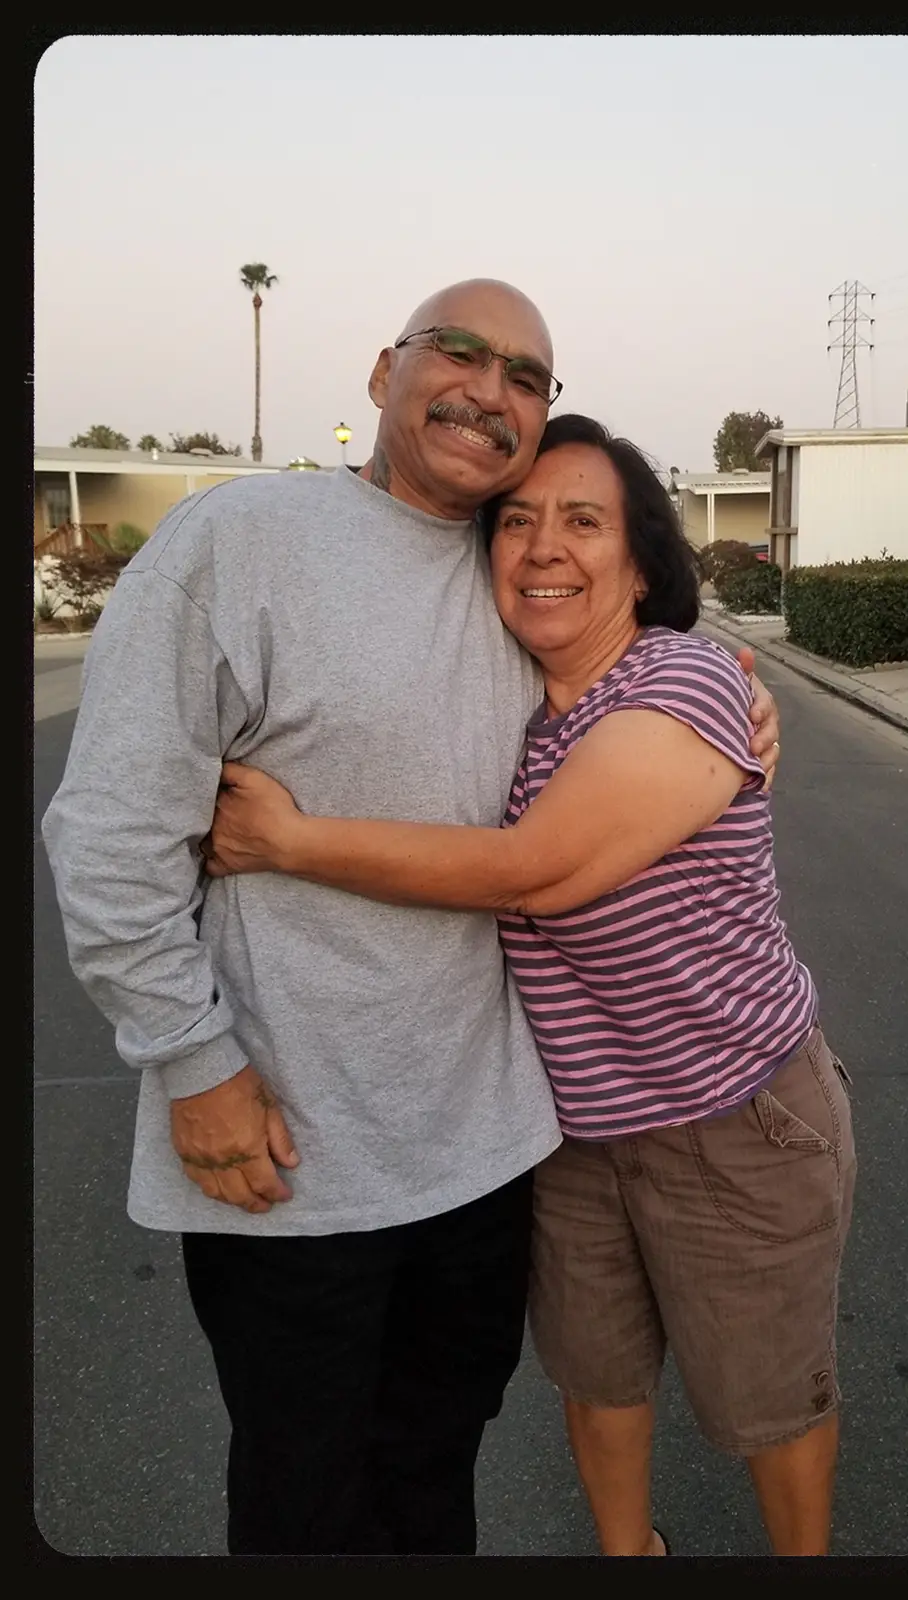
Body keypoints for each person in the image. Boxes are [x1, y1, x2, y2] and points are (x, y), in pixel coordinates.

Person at [41, 281, 780, 1558]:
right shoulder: (241, 541)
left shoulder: (520, 576)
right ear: (384, 371)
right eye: (461, 350)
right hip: (285, 1149)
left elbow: (645, 691)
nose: (489, 387)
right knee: (305, 1494)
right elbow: (110, 830)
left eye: (526, 375)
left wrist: (733, 690)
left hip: (488, 1154)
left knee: (435, 1471)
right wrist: (190, 1060)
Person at [203, 413, 854, 1560]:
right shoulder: (505, 697)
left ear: (641, 560)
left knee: (765, 1402)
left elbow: (533, 873)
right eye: (518, 522)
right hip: (571, 1129)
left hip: (733, 1117)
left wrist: (289, 841)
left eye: (583, 520)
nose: (544, 546)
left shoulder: (686, 678)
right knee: (595, 1380)